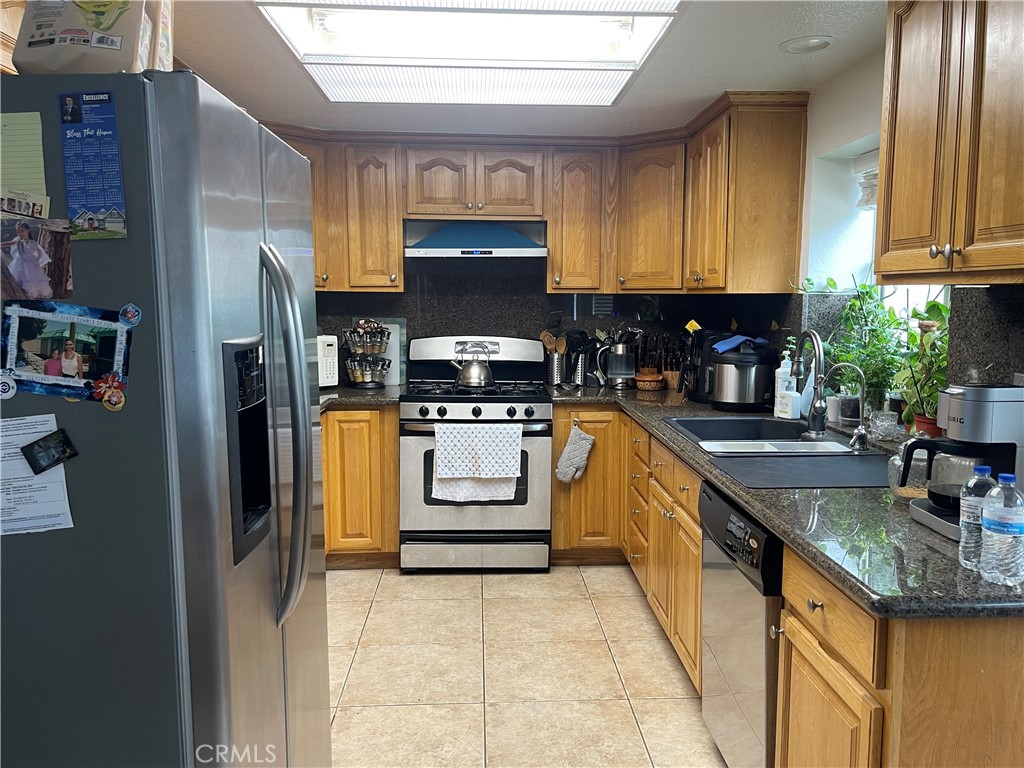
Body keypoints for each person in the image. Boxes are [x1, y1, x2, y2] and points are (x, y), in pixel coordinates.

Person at [2, 221, 53, 299]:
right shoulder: (17, 240)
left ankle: (30, 294)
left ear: (28, 231)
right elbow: (9, 243)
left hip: (30, 264)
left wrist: (37, 260)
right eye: (18, 232)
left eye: (22, 231)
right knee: (18, 278)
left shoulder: (32, 243)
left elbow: (39, 252)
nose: (20, 234)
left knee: (30, 279)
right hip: (19, 262)